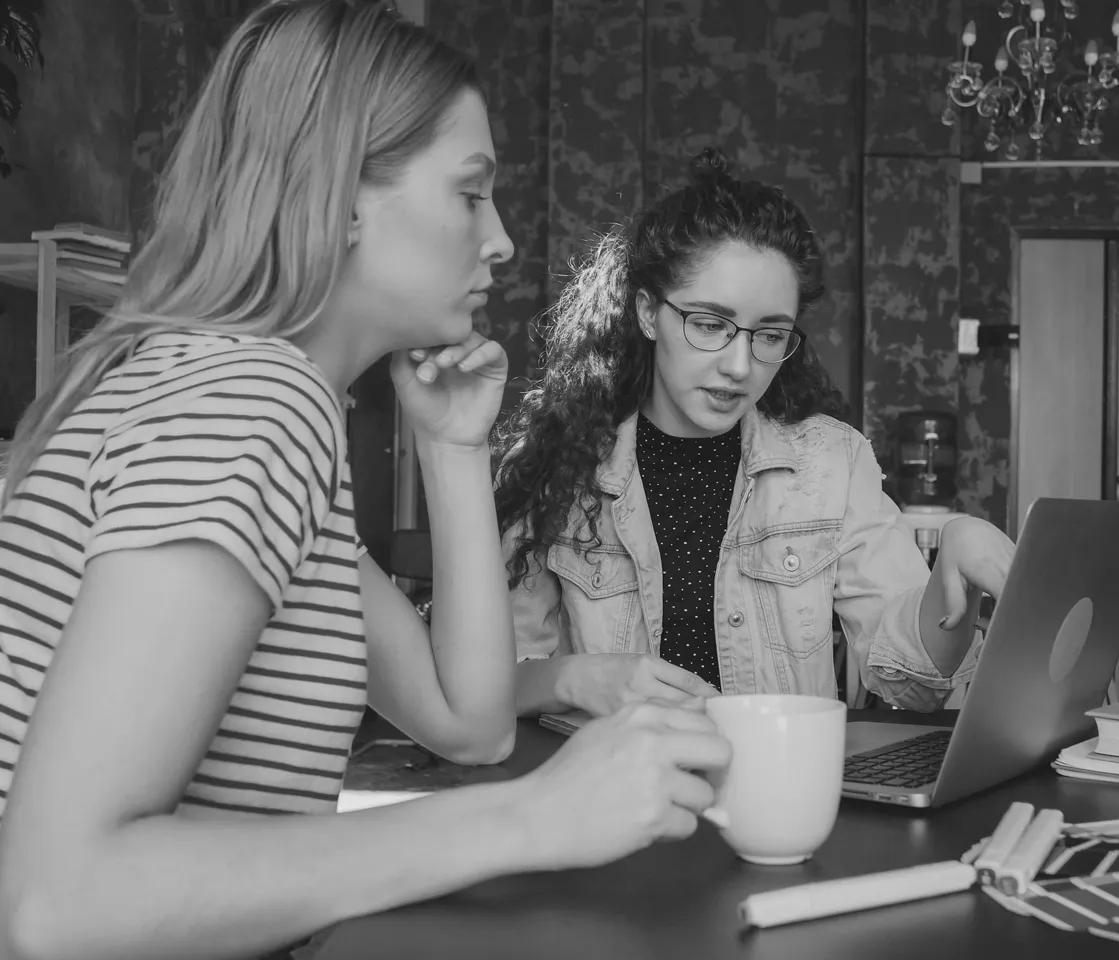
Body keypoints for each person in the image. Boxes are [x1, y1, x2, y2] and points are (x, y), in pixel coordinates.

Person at [0, 4, 730, 959]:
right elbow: (56, 904)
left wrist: (455, 451)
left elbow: (467, 723)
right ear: (341, 196)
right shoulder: (253, 402)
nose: (501, 239)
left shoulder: (235, 391)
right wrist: (530, 820)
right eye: (472, 194)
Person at [493, 148, 1017, 720]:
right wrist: (573, 677)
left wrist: (951, 578)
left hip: (781, 793)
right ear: (647, 313)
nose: (740, 365)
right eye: (711, 325)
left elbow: (914, 685)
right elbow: (486, 687)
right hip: (618, 793)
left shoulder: (832, 462)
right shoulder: (561, 469)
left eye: (770, 334)